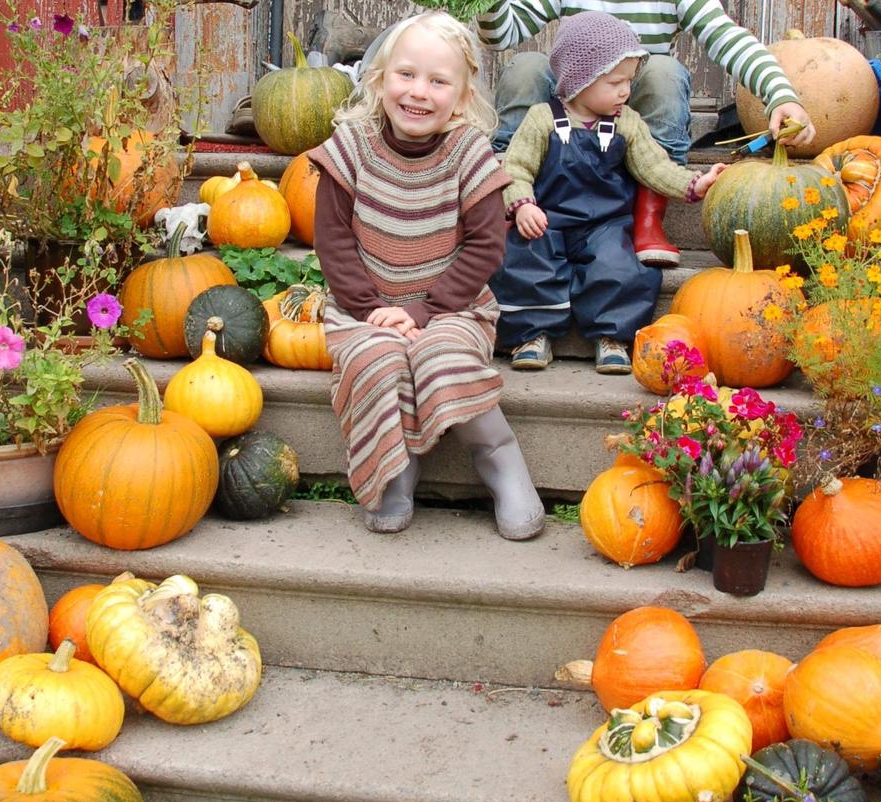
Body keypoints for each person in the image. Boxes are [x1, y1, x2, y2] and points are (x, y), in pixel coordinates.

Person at [308, 10, 546, 541]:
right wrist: (372, 311)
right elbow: (334, 242)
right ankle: (394, 471)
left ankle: (500, 459)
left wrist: (425, 312)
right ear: (379, 79)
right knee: (377, 360)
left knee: (441, 356)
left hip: (454, 308)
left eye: (439, 81)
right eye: (407, 75)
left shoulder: (470, 154)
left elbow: (486, 245)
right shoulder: (349, 149)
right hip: (363, 309)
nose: (419, 91)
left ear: (461, 97)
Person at [475, 0, 817, 268]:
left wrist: (780, 95)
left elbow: (728, 40)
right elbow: (501, 34)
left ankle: (648, 216)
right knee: (526, 68)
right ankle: (506, 202)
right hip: (570, 104)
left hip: (630, 114)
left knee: (664, 72)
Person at [491, 13, 727, 374]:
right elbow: (517, 167)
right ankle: (531, 335)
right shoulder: (541, 118)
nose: (625, 92)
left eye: (629, 82)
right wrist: (522, 205)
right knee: (525, 262)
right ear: (579, 80)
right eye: (616, 82)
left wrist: (694, 184)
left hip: (604, 223)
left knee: (618, 266)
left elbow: (654, 167)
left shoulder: (626, 122)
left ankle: (612, 337)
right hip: (547, 219)